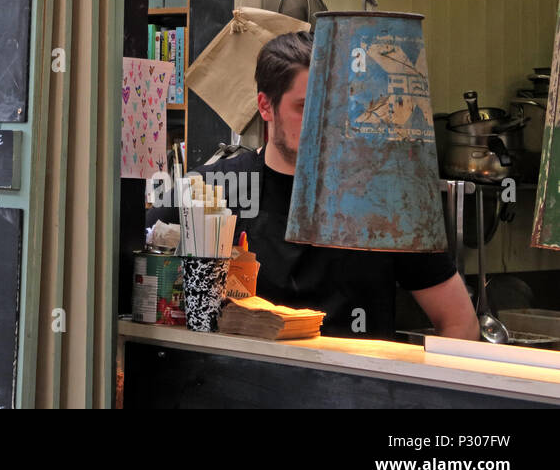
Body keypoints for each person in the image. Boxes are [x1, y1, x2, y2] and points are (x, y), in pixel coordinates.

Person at [152, 31, 479, 340]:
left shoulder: (386, 198)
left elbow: (460, 322)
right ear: (265, 106)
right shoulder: (211, 190)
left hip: (355, 391)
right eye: (303, 107)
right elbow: (137, 286)